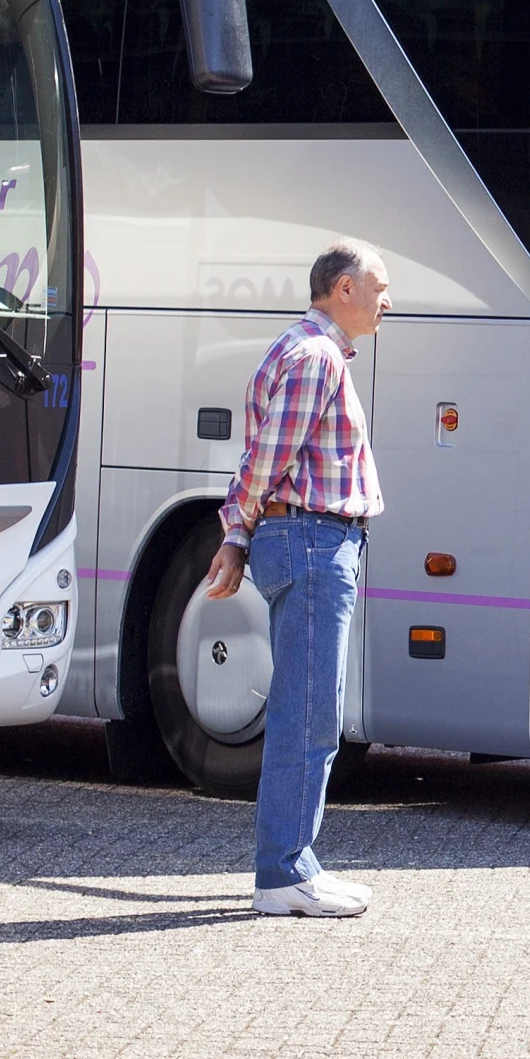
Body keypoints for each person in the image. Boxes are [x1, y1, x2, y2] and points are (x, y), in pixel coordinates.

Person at [207, 240, 391, 917]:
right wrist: (236, 529)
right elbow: (266, 462)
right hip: (314, 540)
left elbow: (259, 461)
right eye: (379, 286)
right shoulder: (316, 356)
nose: (387, 300)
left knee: (308, 709)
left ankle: (292, 866)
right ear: (343, 288)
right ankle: (284, 873)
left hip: (306, 538)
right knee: (309, 714)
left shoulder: (301, 349)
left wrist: (237, 536)